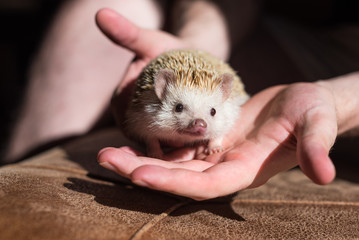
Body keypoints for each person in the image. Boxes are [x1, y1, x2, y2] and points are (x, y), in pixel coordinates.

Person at [5, 0, 359, 200]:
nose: (199, 124)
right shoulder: (158, 104)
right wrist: (196, 40)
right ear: (161, 93)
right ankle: (15, 182)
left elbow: (213, 117)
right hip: (302, 34)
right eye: (177, 107)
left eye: (209, 115)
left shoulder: (219, 109)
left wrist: (338, 100)